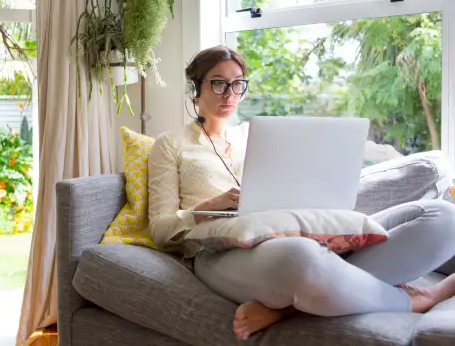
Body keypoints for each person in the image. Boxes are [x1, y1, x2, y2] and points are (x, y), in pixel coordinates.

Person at [147, 45, 455, 341]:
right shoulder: (170, 144)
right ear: (194, 89)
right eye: (218, 84)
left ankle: (287, 310)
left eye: (238, 84)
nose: (230, 94)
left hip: (295, 230)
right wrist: (208, 207)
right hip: (223, 251)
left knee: (443, 217)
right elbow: (159, 230)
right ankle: (413, 299)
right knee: (301, 258)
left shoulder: (257, 136)